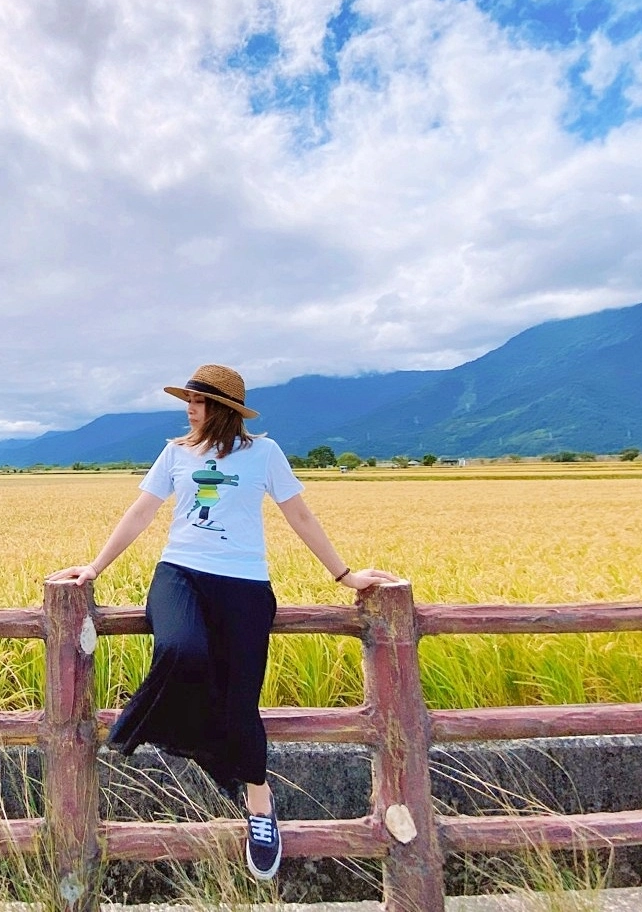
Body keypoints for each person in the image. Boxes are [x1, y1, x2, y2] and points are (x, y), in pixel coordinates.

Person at [46, 363, 399, 881]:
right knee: (180, 651)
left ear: (224, 410)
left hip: (245, 584)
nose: (189, 407)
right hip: (180, 574)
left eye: (198, 401)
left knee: (240, 701)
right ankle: (203, 749)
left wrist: (344, 574)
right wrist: (95, 566)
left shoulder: (265, 453)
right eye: (188, 399)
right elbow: (141, 513)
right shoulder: (175, 453)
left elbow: (299, 514)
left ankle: (259, 804)